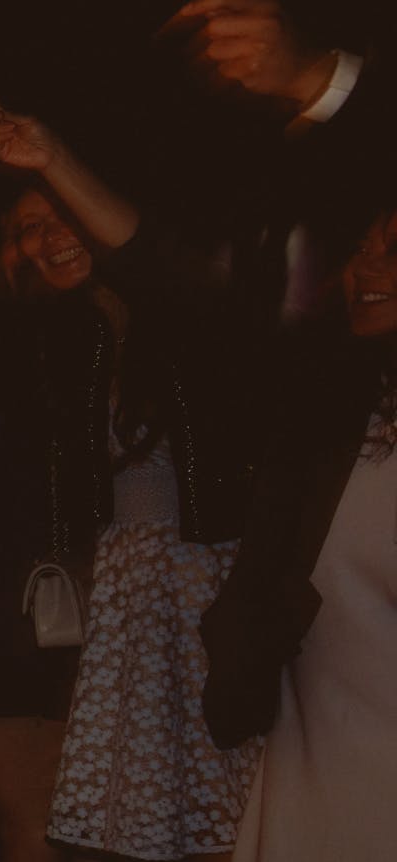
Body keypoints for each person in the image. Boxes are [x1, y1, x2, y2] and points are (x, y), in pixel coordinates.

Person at [0, 109, 264, 862]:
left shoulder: (192, 314)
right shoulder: (73, 337)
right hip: (122, 596)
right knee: (137, 823)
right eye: (31, 227)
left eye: (63, 214)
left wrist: (53, 157)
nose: (49, 238)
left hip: (202, 590)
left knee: (223, 809)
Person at [205, 208, 397, 861]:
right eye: (362, 249)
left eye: (393, 252)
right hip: (318, 742)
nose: (365, 268)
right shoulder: (338, 409)